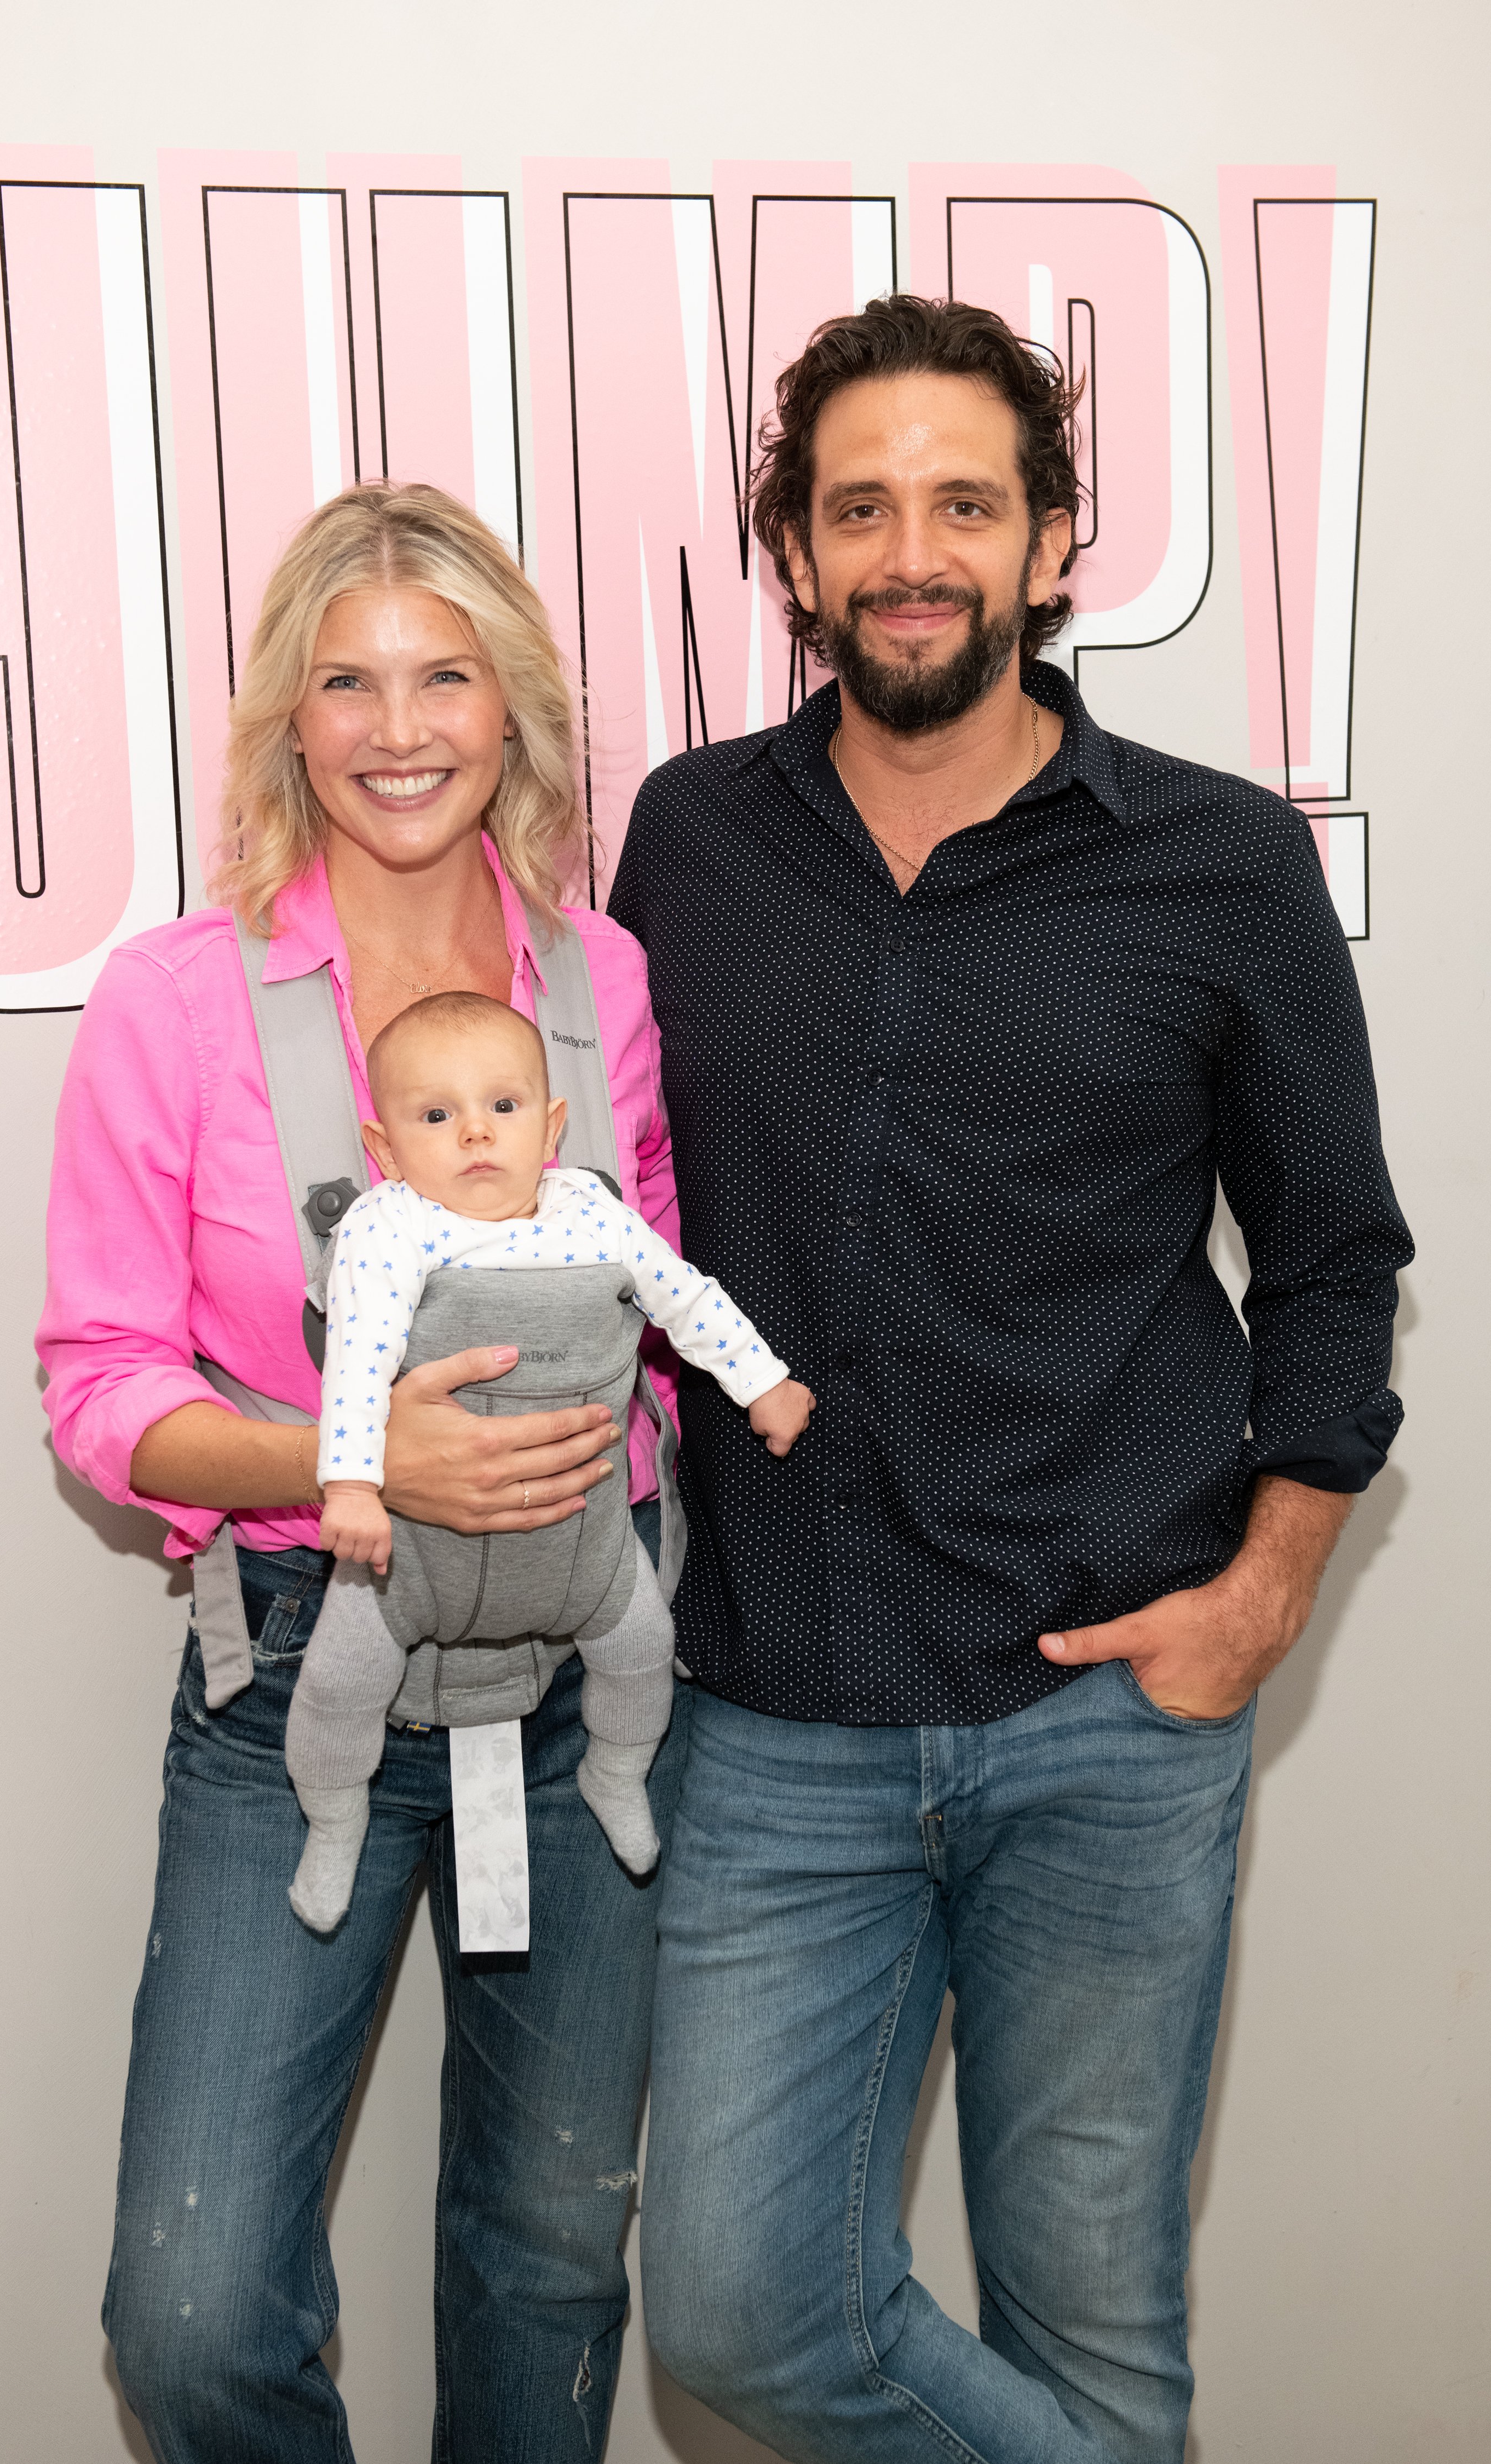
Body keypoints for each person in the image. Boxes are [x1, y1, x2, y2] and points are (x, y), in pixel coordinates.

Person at [609, 298, 1413, 2464]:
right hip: (779, 1718)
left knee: (1094, 2331)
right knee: (740, 2313)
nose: (912, 551)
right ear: (788, 552)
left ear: (1056, 544)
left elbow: (1338, 1265)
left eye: (967, 501)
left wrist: (1261, 1601)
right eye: (859, 506)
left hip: (1111, 1723)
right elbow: (606, 1205)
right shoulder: (686, 844)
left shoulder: (1224, 863)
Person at [38, 481, 687, 2461]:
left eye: (444, 677)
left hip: (587, 1687)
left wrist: (607, 1462)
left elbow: (650, 1262)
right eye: (348, 683)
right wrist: (354, 1452)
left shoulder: (605, 978)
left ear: (513, 714)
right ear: (290, 722)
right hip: (293, 1681)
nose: (399, 728)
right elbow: (97, 1383)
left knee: (551, 2259)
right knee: (194, 2313)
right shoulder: (174, 996)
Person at [289, 987, 809, 1926]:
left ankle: (616, 1775)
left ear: (552, 1123)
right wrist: (355, 1486)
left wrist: (763, 1383)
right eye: (437, 1116)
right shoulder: (390, 1226)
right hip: (411, 1563)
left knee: (646, 1645)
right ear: (385, 1147)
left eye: (504, 1107)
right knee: (339, 1681)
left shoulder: (591, 1214)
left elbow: (687, 1301)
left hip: (585, 1549)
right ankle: (333, 1820)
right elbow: (359, 1362)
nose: (476, 1135)